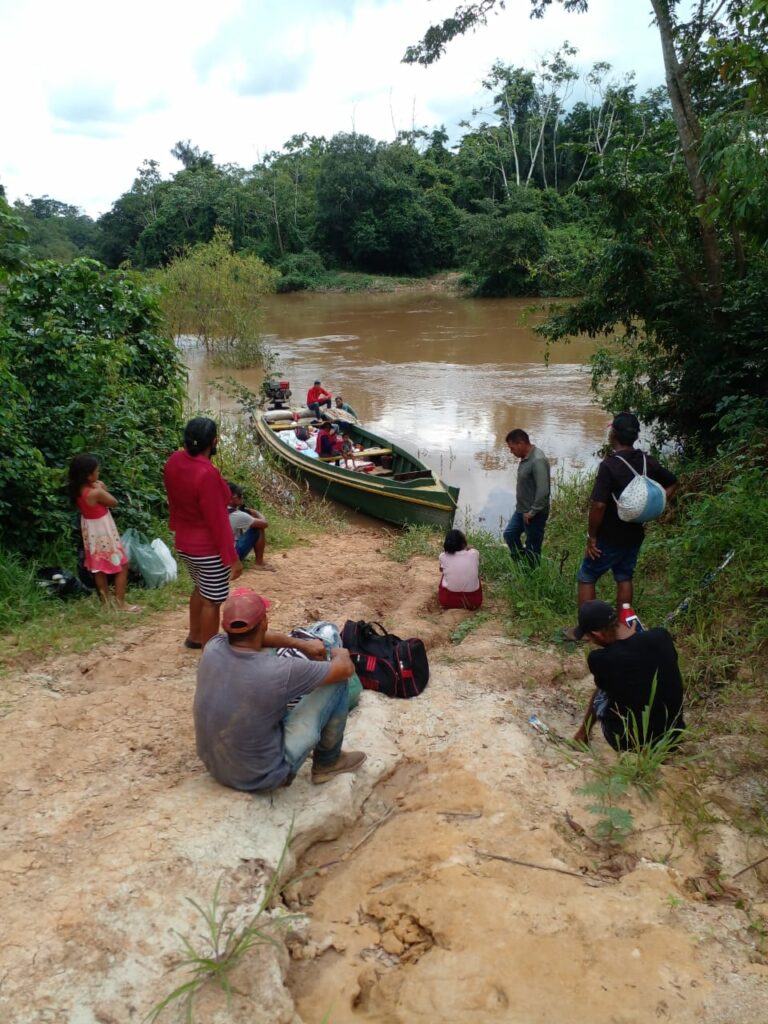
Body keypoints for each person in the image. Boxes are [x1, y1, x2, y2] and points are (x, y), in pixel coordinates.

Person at [194, 587, 367, 791]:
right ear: (264, 623)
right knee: (336, 681)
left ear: (225, 626)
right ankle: (328, 762)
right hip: (263, 776)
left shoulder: (213, 647)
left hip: (216, 766)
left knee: (266, 661)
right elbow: (344, 670)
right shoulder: (280, 671)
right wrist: (340, 652)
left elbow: (259, 640)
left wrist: (301, 645)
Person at [564, 412, 678, 640]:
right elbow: (673, 482)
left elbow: (598, 505)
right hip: (634, 533)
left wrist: (591, 537)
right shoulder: (648, 460)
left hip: (609, 536)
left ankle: (585, 631)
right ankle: (624, 626)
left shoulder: (610, 465)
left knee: (587, 575)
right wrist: (656, 506)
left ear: (613, 433)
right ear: (634, 436)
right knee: (624, 576)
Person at [164, 417, 242, 650]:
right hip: (206, 547)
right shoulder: (207, 474)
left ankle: (195, 636)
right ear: (214, 441)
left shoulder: (174, 461)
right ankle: (211, 653)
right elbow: (218, 521)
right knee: (213, 599)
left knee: (200, 588)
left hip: (184, 542)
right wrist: (233, 558)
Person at [572, 600, 686, 751]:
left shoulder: (600, 659)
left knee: (602, 692)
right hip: (673, 738)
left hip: (631, 743)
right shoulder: (661, 636)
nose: (593, 642)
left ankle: (583, 733)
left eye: (590, 638)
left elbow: (620, 665)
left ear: (598, 634)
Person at [67, 454, 140, 612]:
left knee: (98, 567)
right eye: (97, 471)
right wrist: (101, 488)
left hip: (91, 533)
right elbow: (114, 502)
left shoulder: (79, 491)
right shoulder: (95, 493)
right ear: (88, 475)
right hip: (103, 531)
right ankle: (120, 603)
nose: (98, 474)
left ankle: (105, 604)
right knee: (122, 564)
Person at [502, 429, 551, 563]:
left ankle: (531, 575)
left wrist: (532, 511)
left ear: (521, 443)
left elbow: (543, 490)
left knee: (533, 547)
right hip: (522, 511)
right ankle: (520, 564)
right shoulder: (526, 458)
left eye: (512, 448)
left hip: (534, 513)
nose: (511, 452)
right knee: (510, 535)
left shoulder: (537, 460)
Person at [227, 483, 274, 571]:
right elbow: (264, 523)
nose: (242, 497)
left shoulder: (218, 509)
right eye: (240, 495)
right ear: (233, 497)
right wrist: (255, 512)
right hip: (232, 557)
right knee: (258, 528)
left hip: (217, 555)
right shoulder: (238, 515)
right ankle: (259, 563)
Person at [438, 529, 482, 610]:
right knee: (474, 572)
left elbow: (441, 570)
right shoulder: (474, 553)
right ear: (463, 543)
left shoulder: (443, 556)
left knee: (444, 572)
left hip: (448, 601)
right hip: (473, 602)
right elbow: (471, 550)